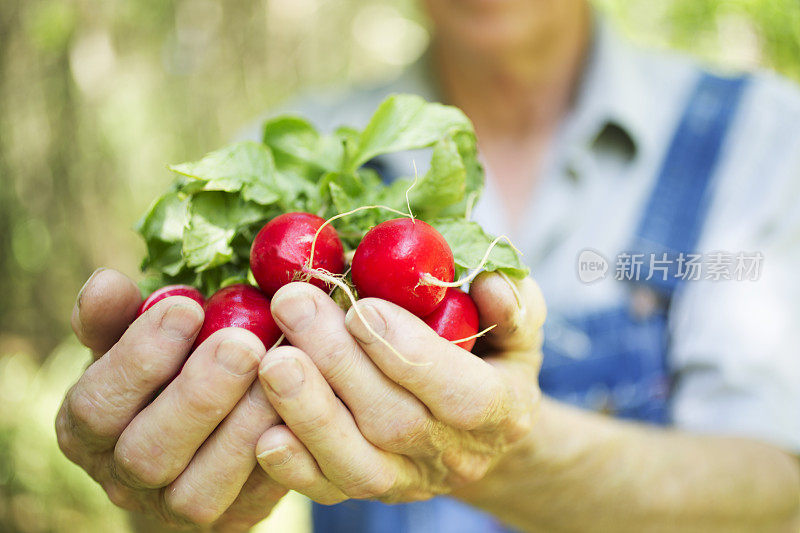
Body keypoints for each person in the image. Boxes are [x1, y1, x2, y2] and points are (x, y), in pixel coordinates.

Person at [57, 0, 800, 531]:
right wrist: (169, 494)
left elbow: (778, 489)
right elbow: (198, 468)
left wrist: (491, 446)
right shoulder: (298, 149)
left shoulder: (758, 136)